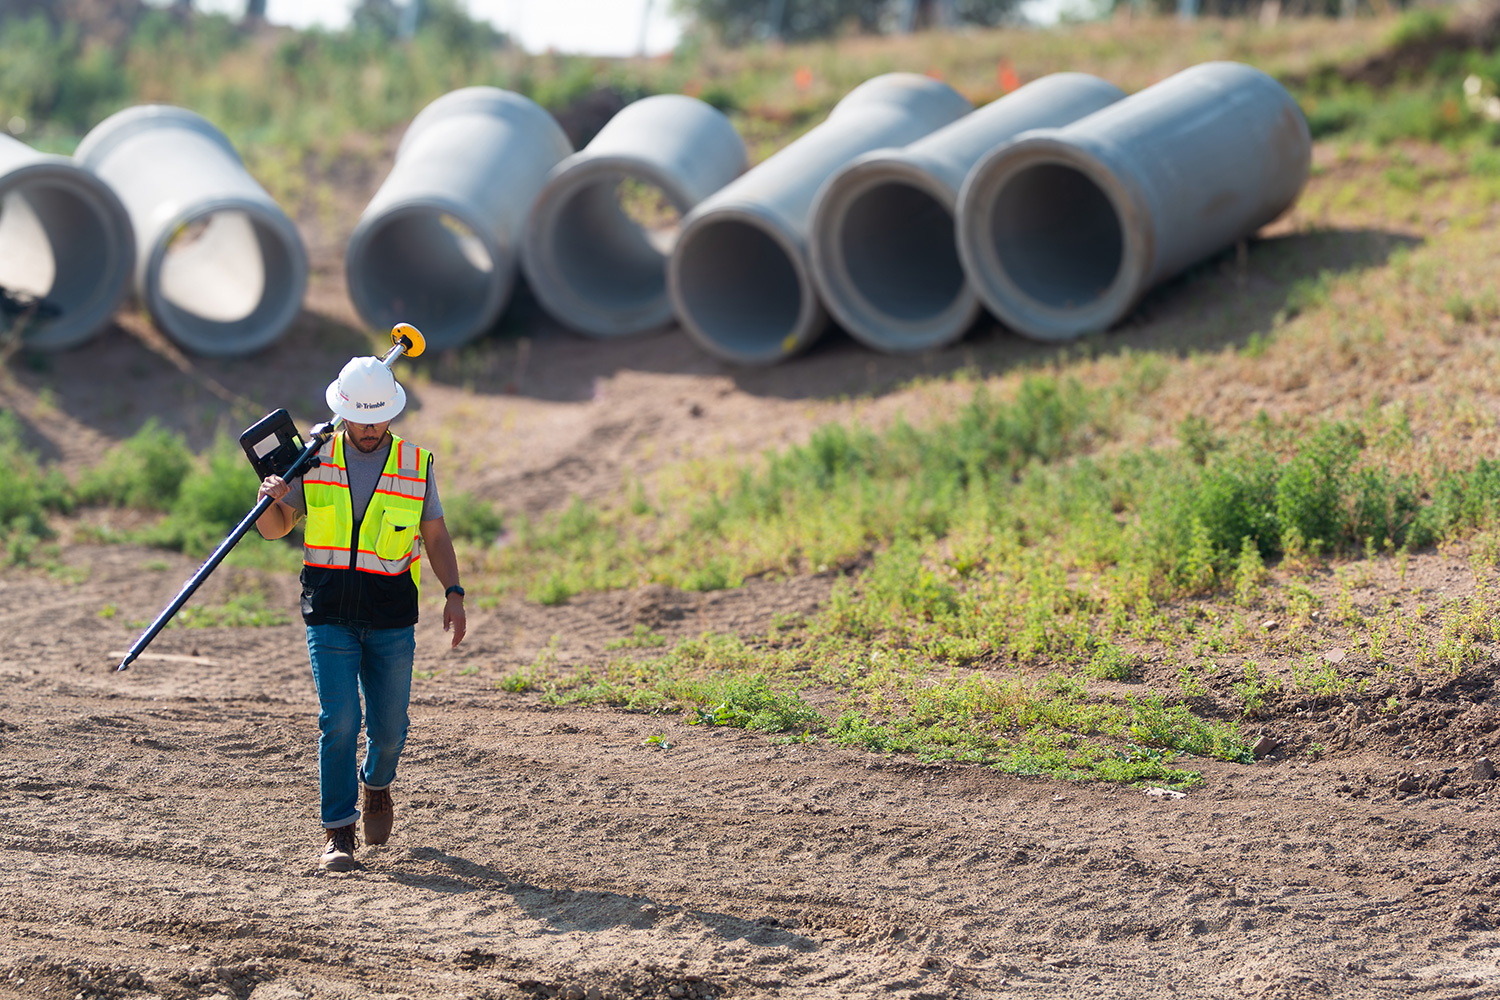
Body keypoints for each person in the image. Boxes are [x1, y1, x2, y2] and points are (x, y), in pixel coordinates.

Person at [254, 354, 466, 872]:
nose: (370, 429)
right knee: (340, 720)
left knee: (390, 729)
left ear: (391, 412)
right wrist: (271, 498)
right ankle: (338, 832)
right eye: (361, 419)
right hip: (328, 611)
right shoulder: (313, 459)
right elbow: (276, 529)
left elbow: (434, 533)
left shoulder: (416, 465)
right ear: (343, 411)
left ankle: (377, 786)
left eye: (379, 419)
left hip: (392, 617)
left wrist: (454, 591)